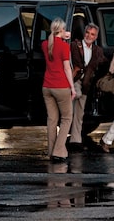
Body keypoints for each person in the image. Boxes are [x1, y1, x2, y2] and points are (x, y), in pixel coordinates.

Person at [41, 18, 78, 163]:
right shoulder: (64, 47)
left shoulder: (45, 44)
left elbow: (53, 41)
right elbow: (67, 68)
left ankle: (51, 151)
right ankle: (59, 151)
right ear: (61, 30)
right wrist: (72, 88)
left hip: (47, 87)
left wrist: (63, 36)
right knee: (67, 118)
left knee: (52, 120)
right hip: (61, 86)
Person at [69, 24, 106, 151]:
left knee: (79, 114)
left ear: (96, 37)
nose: (89, 36)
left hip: (86, 84)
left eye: (92, 34)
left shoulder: (97, 50)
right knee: (70, 110)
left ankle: (75, 140)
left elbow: (103, 64)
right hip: (73, 81)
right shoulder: (74, 45)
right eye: (88, 33)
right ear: (84, 33)